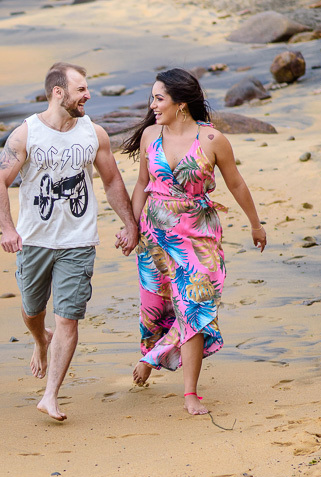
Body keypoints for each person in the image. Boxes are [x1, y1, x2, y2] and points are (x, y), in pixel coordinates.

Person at [0, 62, 138, 421]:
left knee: (68, 319)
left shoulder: (93, 134)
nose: (88, 95)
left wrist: (130, 224)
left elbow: (112, 181)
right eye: (81, 89)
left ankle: (50, 395)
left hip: (78, 241)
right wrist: (8, 229)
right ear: (59, 92)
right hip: (34, 241)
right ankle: (41, 338)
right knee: (32, 310)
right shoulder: (25, 135)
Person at [121, 68, 267, 415]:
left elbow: (236, 184)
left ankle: (189, 392)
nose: (152, 105)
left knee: (194, 307)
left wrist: (255, 224)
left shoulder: (213, 140)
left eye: (159, 99)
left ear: (181, 104)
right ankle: (153, 353)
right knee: (157, 308)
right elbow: (141, 184)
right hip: (154, 238)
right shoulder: (150, 136)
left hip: (198, 238)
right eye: (152, 98)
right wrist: (131, 228)